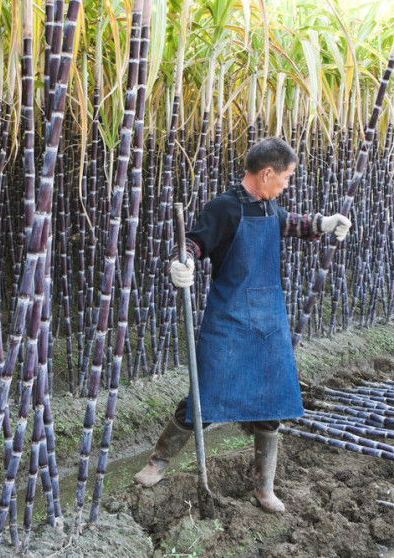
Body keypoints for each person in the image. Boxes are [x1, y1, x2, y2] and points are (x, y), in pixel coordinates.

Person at [132, 137, 352, 513]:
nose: (286, 184)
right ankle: (158, 463)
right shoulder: (224, 208)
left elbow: (291, 224)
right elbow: (195, 244)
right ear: (267, 173)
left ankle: (263, 488)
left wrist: (324, 223)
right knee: (203, 398)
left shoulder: (269, 208)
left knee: (272, 405)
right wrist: (180, 262)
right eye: (286, 177)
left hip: (268, 321)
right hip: (229, 321)